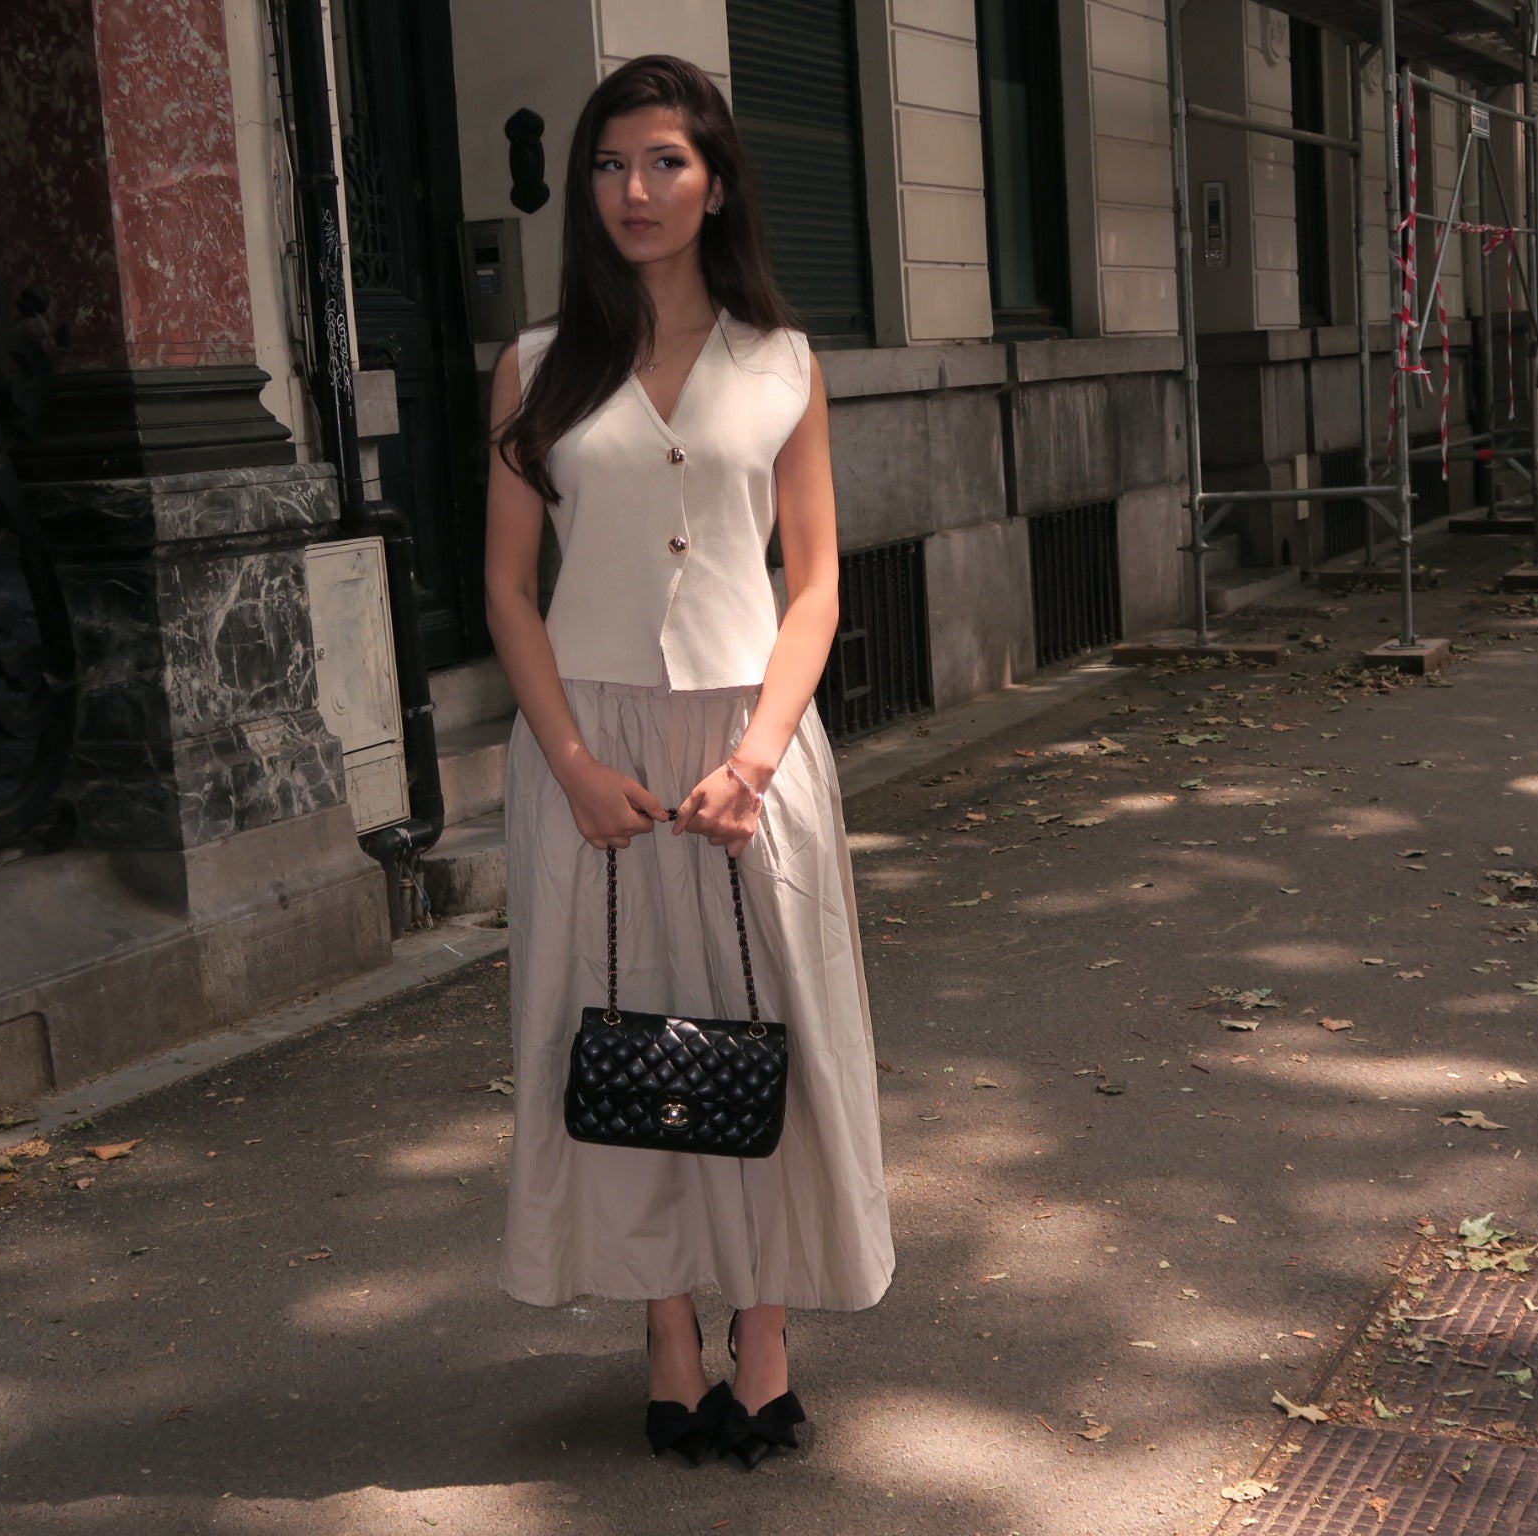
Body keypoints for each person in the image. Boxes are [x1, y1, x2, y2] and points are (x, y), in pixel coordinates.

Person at [483, 54, 894, 1470]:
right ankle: (666, 1330)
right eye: (609, 164)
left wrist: (760, 756)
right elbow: (506, 593)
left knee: (771, 1037)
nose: (634, 191)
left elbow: (819, 582)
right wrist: (576, 762)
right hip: (588, 758)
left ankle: (763, 1334)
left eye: (663, 161)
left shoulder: (781, 361)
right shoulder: (537, 366)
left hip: (745, 752)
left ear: (714, 180)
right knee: (616, 1038)